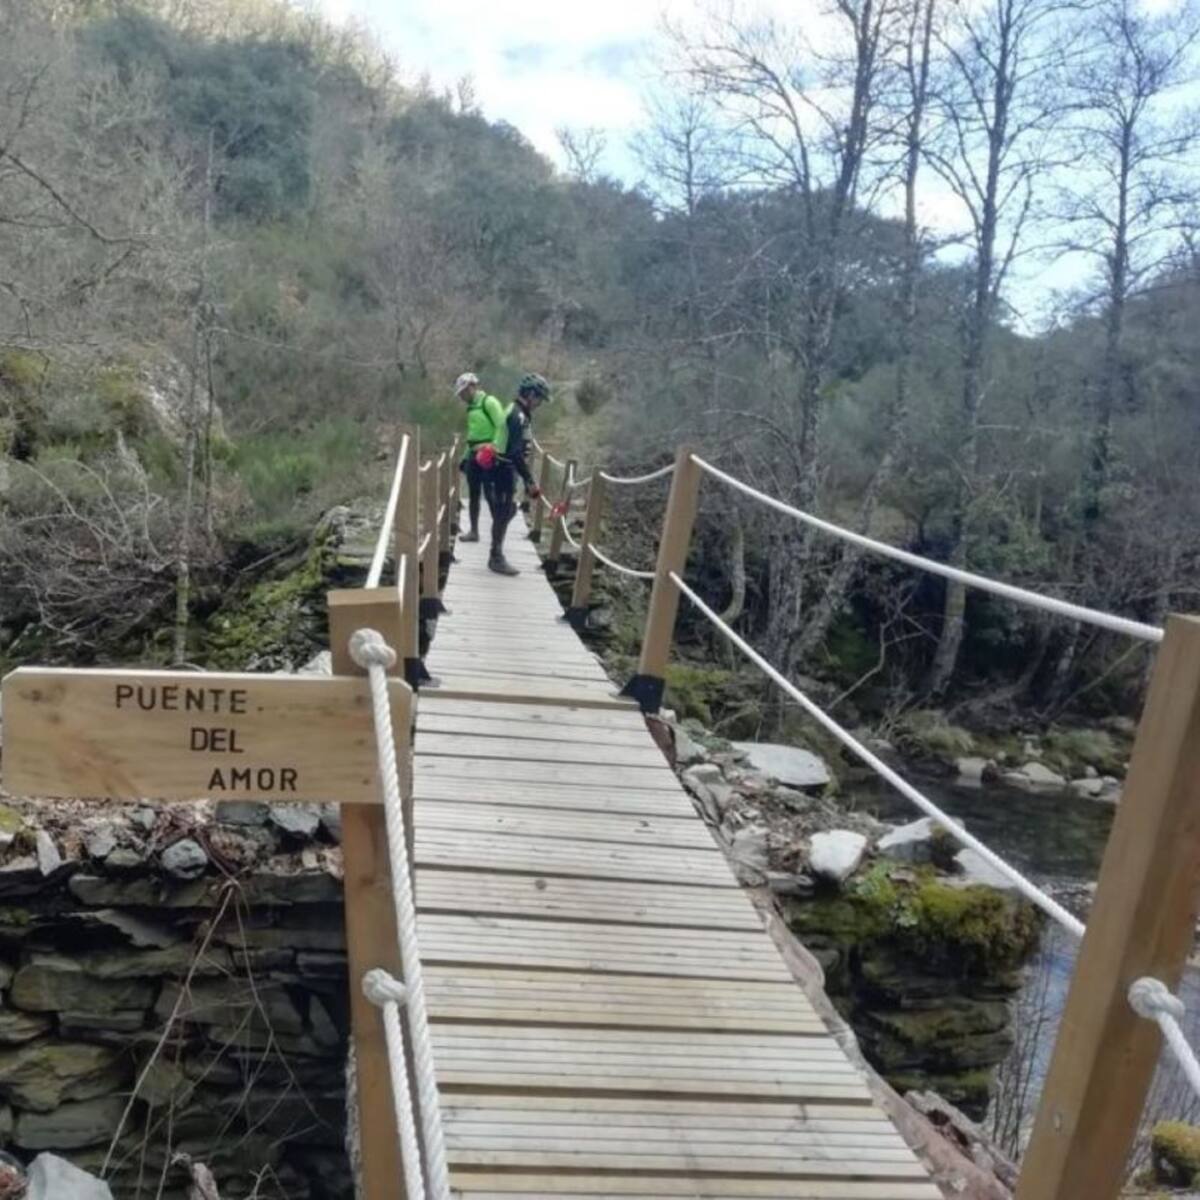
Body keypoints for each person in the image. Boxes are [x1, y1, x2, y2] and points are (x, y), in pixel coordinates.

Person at [474, 372, 551, 575]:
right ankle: (495, 557)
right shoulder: (518, 415)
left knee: (507, 511)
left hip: (502, 469)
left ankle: (496, 552)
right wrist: (529, 481)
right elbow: (515, 452)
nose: (540, 404)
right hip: (502, 469)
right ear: (531, 394)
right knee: (503, 512)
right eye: (540, 399)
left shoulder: (517, 411)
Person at [454, 372, 508, 543]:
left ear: (472, 387)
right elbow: (472, 436)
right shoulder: (471, 408)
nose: (462, 396)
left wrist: (493, 447)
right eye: (460, 393)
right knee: (474, 493)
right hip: (473, 454)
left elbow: (502, 427)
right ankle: (474, 531)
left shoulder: (489, 402)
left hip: (488, 455)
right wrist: (465, 457)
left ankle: (498, 533)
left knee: (490, 493)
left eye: (464, 392)